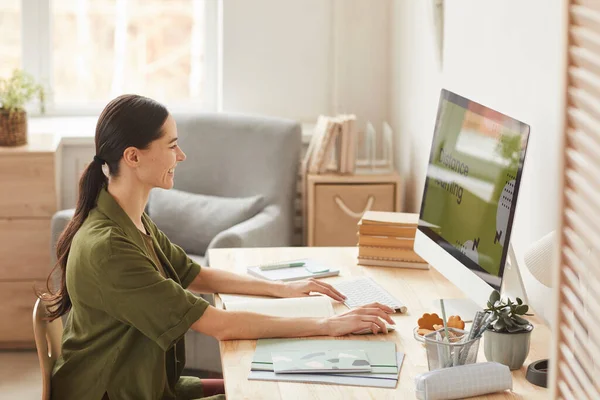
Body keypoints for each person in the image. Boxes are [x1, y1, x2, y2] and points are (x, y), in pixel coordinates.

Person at [41, 94, 395, 400]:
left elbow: (195, 274)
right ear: (133, 157)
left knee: (262, 383)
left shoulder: (128, 218)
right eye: (171, 145)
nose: (181, 156)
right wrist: (328, 325)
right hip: (114, 392)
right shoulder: (110, 248)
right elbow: (219, 325)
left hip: (144, 383)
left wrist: (283, 289)